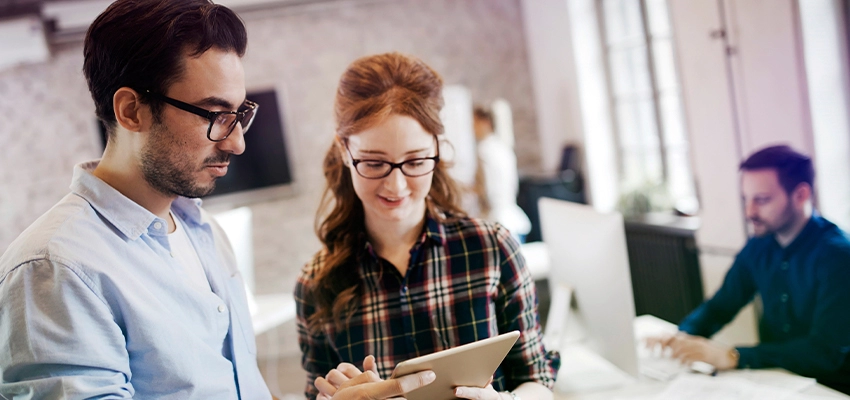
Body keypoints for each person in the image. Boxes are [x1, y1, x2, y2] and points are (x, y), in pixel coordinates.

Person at [0, 1, 270, 399]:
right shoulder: (57, 269)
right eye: (215, 114)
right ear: (131, 111)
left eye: (238, 113)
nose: (237, 142)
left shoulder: (204, 230)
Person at [295, 52, 560, 400]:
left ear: (437, 148)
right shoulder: (317, 284)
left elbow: (536, 380)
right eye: (374, 163)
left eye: (416, 161)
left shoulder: (492, 248)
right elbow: (317, 392)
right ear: (345, 151)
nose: (397, 186)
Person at [647, 145, 850, 394]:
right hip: (777, 379)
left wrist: (734, 356)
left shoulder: (839, 255)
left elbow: (824, 352)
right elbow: (721, 306)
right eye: (746, 199)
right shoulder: (759, 245)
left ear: (800, 195)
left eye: (761, 200)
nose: (749, 212)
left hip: (831, 388)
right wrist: (682, 336)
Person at [473, 105, 531, 242]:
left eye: (474, 122)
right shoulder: (503, 147)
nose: (472, 128)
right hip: (513, 218)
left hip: (497, 220)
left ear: (484, 122)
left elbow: (488, 190)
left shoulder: (484, 150)